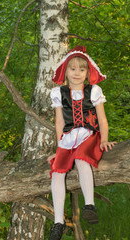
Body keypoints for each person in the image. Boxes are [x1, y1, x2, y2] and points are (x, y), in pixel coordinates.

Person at [47, 46, 117, 240]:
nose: (77, 73)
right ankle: (58, 222)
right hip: (68, 139)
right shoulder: (58, 92)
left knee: (81, 160)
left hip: (89, 135)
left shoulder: (93, 91)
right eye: (72, 68)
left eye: (82, 69)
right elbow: (60, 122)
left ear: (88, 73)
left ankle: (89, 205)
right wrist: (58, 148)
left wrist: (103, 139)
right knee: (57, 171)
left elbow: (102, 119)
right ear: (65, 71)